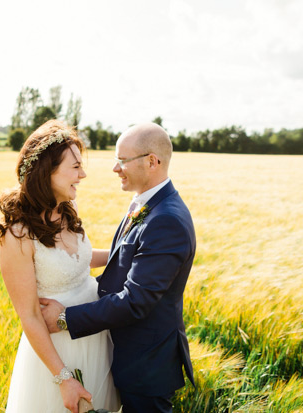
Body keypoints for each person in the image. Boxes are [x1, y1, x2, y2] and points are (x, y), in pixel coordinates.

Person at [41, 122, 196, 412]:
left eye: (122, 160)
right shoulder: (146, 203)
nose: (115, 168)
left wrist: (64, 318)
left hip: (146, 362)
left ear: (152, 162)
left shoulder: (166, 220)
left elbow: (135, 301)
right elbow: (125, 257)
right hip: (128, 352)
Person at [0, 120, 120, 413]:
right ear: (48, 171)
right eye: (75, 166)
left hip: (94, 336)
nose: (83, 174)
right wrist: (64, 378)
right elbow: (31, 316)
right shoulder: (17, 235)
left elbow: (80, 260)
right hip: (60, 352)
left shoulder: (65, 212)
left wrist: (127, 252)